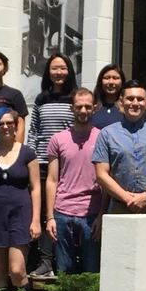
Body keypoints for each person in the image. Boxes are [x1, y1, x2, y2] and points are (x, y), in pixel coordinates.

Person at [0, 108, 41, 291]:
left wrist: (36, 220)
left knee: (17, 270)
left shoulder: (28, 154)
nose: (5, 127)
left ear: (16, 126)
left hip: (21, 215)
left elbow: (36, 189)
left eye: (9, 123)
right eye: (1, 123)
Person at [46, 88, 106, 274]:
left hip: (92, 214)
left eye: (88, 106)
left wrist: (101, 216)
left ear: (94, 108)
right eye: (79, 107)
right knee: (65, 272)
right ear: (72, 108)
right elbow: (52, 179)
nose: (83, 111)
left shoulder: (103, 137)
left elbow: (106, 182)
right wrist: (49, 217)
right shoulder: (58, 139)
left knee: (92, 272)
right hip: (63, 212)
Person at [27, 53, 77, 277]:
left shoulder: (75, 98)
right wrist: (30, 158)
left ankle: (65, 261)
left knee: (64, 212)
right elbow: (34, 131)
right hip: (44, 163)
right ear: (48, 72)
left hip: (68, 163)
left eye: (63, 68)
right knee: (46, 212)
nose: (59, 72)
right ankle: (45, 261)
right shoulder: (41, 99)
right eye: (54, 68)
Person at [92, 80, 146, 214]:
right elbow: (101, 174)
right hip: (121, 206)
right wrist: (128, 199)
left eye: (140, 99)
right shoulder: (107, 134)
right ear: (121, 101)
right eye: (130, 99)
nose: (135, 103)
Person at [91, 63, 125, 129]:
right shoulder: (92, 106)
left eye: (115, 78)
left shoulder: (127, 106)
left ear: (122, 81)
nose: (111, 82)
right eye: (107, 78)